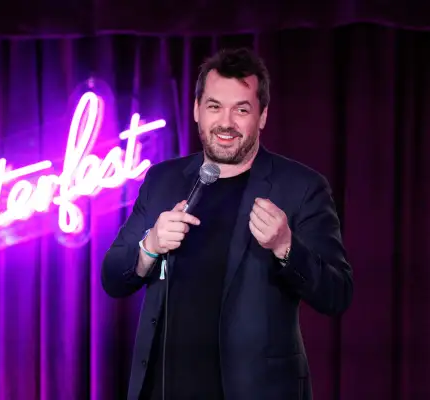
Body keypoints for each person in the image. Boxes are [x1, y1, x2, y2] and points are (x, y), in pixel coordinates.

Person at [101, 47, 353, 400]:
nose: (226, 123)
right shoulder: (163, 180)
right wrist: (150, 246)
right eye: (215, 106)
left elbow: (337, 294)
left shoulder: (302, 187)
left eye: (242, 109)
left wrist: (286, 247)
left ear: (262, 116)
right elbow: (113, 276)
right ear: (196, 110)